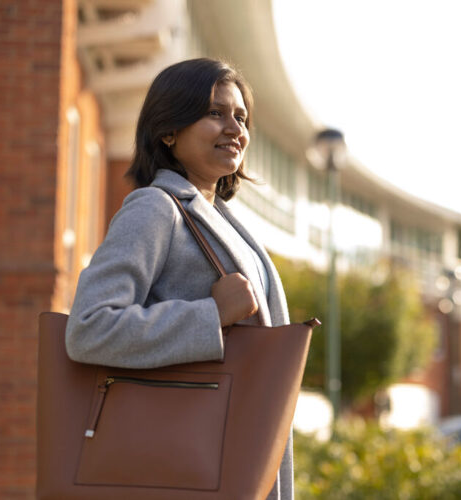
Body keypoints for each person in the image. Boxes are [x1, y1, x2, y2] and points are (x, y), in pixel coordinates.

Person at [65, 58, 294, 500]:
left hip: (229, 445)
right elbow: (88, 328)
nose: (235, 129)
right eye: (214, 113)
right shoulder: (155, 208)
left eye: (241, 117)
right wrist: (211, 316)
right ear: (168, 131)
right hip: (188, 456)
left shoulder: (223, 221)